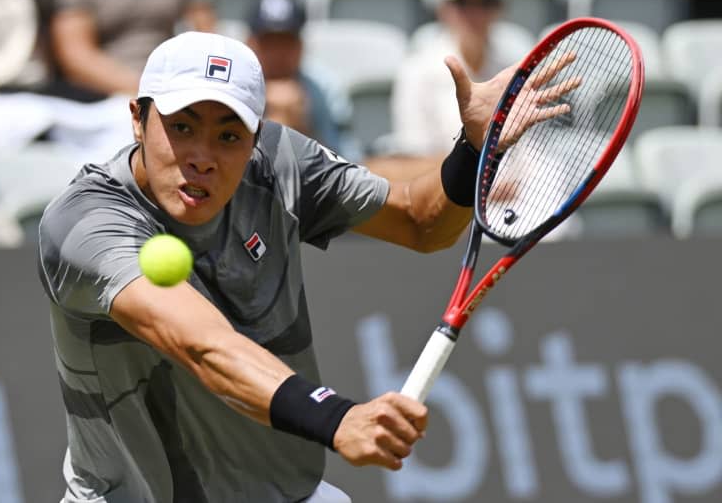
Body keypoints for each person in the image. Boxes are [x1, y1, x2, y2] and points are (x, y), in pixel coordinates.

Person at [37, 31, 573, 502]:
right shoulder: (88, 223)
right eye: (181, 127)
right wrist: (337, 417)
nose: (202, 155)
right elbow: (202, 345)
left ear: (253, 139)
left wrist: (473, 147)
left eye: (228, 135)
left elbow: (419, 221)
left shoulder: (278, 163)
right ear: (138, 118)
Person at [392, 0, 517, 157]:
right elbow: (415, 157)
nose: (476, 15)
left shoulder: (511, 68)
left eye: (486, 3)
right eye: (463, 3)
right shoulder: (416, 72)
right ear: (443, 9)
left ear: (499, 9)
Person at [48, 0, 215, 101]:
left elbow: (207, 36)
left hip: (169, 86)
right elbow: (76, 57)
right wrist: (147, 89)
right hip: (101, 97)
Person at [246, 0, 345, 151]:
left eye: (286, 42)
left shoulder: (322, 88)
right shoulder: (233, 86)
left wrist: (301, 129)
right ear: (250, 43)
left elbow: (346, 161)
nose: (277, 53)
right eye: (269, 43)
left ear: (301, 45)